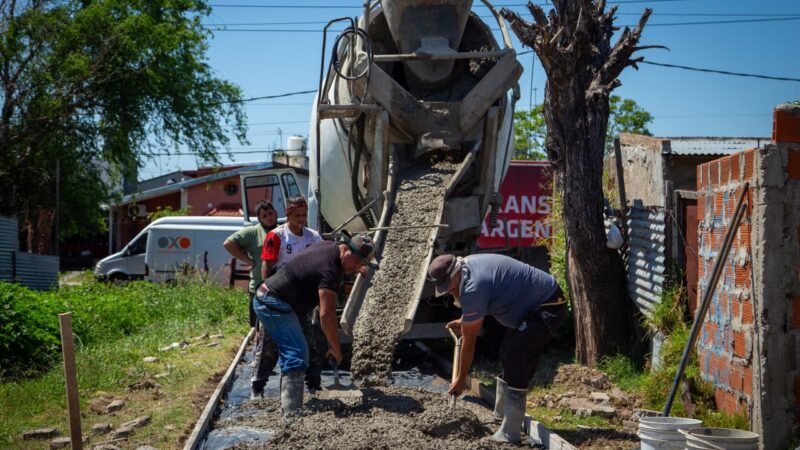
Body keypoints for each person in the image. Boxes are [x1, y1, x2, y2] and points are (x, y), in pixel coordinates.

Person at [428, 253, 566, 444]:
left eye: (448, 285)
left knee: (517, 358)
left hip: (549, 305)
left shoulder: (473, 287)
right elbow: (484, 301)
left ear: (456, 273)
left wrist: (461, 380)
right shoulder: (467, 270)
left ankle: (511, 432)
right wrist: (465, 320)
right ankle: (501, 414)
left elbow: (469, 342)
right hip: (530, 306)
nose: (449, 291)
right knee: (506, 353)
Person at [253, 231, 379, 419]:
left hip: (285, 302)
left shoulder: (330, 248)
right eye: (357, 261)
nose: (358, 267)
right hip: (274, 303)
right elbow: (327, 315)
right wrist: (336, 348)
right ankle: (291, 416)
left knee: (305, 348)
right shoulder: (330, 270)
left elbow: (326, 269)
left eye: (362, 264)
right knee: (296, 354)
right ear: (345, 249)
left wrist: (354, 265)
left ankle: (292, 400)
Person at [253, 195, 323, 397]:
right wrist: (267, 293)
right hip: (279, 295)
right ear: (288, 214)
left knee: (310, 341)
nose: (301, 219)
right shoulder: (277, 236)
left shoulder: (313, 237)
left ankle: (314, 383)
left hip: (302, 298)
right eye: (297, 215)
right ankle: (258, 386)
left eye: (304, 215)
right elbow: (267, 265)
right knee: (270, 344)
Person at [222, 201, 279, 398]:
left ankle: (272, 363)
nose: (269, 218)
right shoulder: (253, 233)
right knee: (259, 329)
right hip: (260, 289)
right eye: (265, 216)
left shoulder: (282, 230)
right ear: (259, 219)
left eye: (271, 214)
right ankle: (259, 365)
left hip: (280, 289)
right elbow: (228, 243)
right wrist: (247, 260)